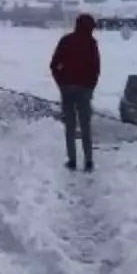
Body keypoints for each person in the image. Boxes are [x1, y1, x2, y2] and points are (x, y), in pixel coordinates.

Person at [50, 13, 101, 171]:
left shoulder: (66, 41)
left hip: (67, 89)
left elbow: (53, 65)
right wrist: (90, 87)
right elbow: (96, 69)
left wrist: (61, 83)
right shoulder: (91, 44)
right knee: (86, 127)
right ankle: (88, 161)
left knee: (70, 126)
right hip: (84, 90)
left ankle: (72, 161)